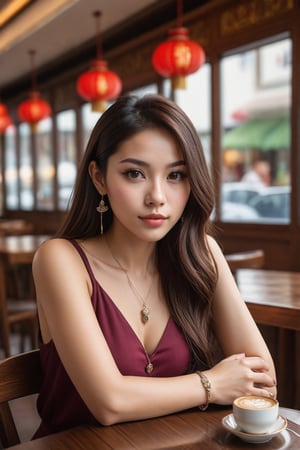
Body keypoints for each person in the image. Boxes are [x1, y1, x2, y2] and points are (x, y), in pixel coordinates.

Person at [32, 94, 277, 438]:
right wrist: (213, 383)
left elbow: (262, 383)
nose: (157, 196)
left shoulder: (199, 254)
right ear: (99, 178)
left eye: (176, 175)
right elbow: (109, 402)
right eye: (135, 174)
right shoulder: (60, 260)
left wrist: (209, 249)